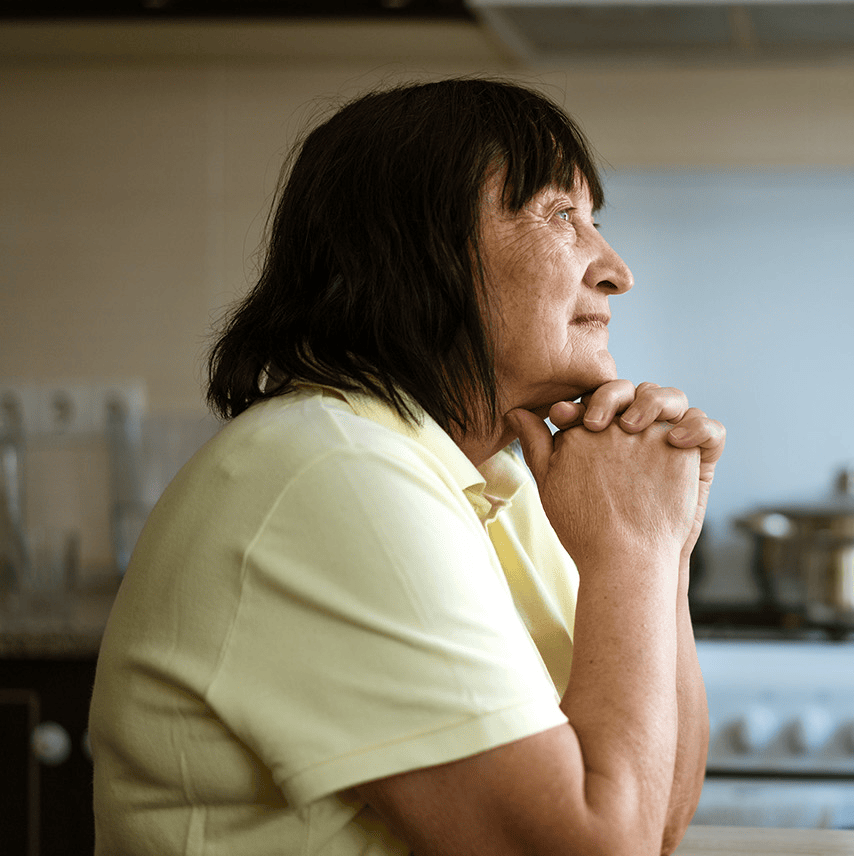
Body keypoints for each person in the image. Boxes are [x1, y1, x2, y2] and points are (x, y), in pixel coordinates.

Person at [88, 77, 724, 856]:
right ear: (420, 254)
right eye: (562, 215)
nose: (616, 270)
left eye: (595, 222)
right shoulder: (331, 474)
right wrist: (634, 549)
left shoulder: (492, 482)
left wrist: (664, 543)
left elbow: (658, 821)